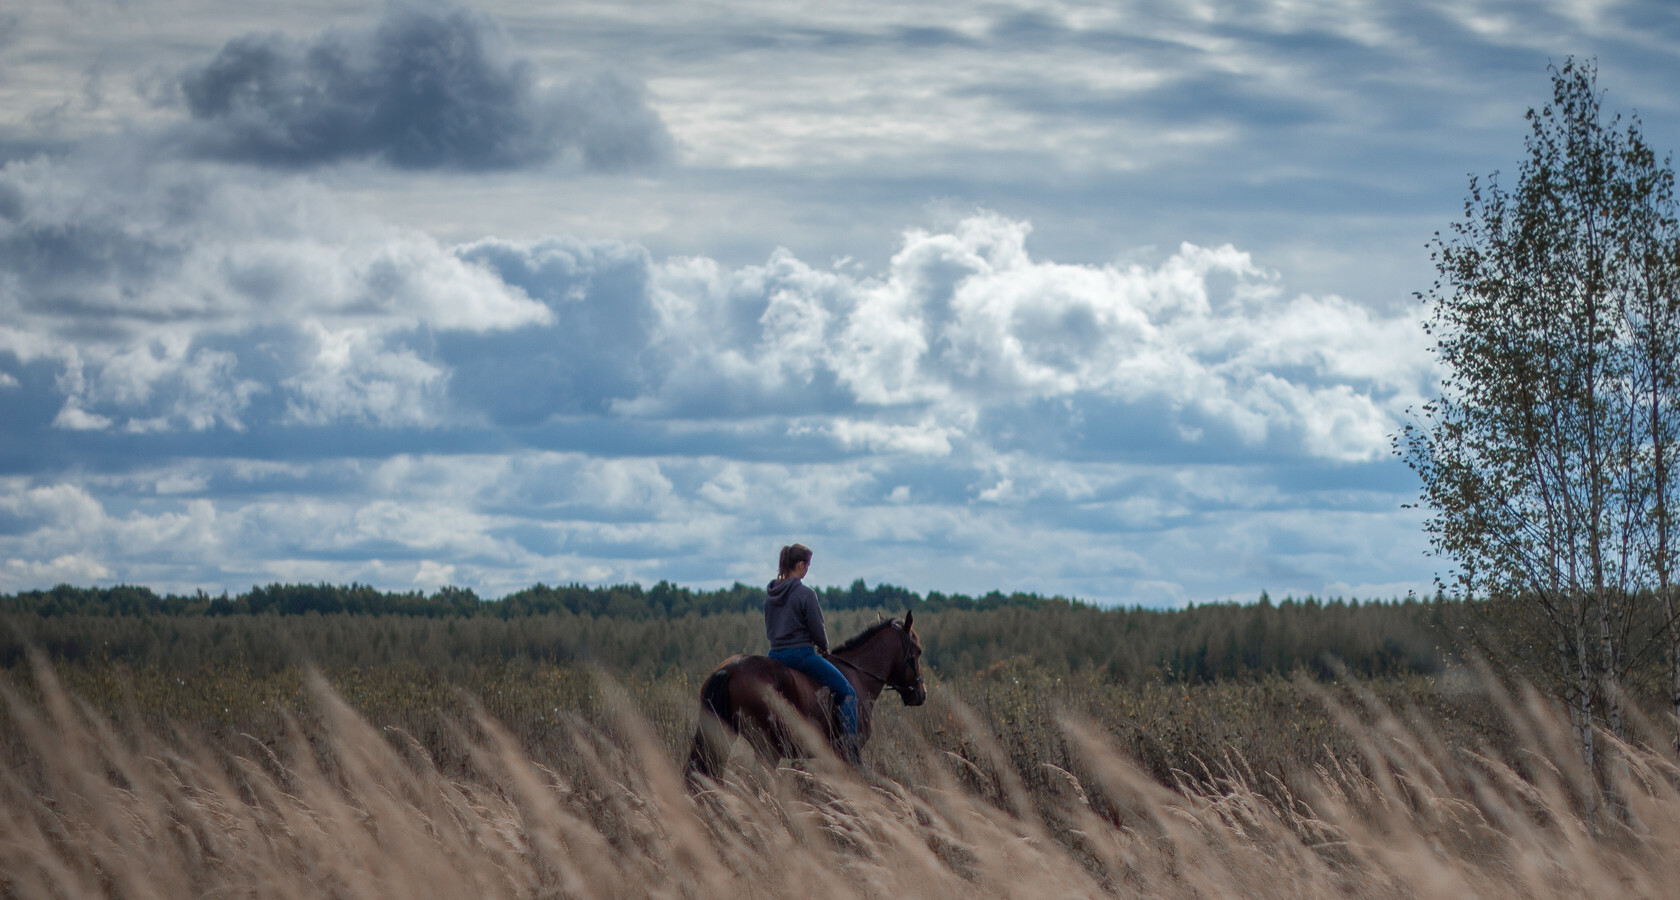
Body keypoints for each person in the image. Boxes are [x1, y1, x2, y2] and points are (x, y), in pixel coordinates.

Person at [764, 543, 861, 763]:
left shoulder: (770, 593)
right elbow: (817, 628)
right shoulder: (806, 594)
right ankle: (851, 753)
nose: (807, 569)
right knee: (847, 692)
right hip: (800, 655)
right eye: (807, 565)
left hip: (774, 655)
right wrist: (824, 647)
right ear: (800, 565)